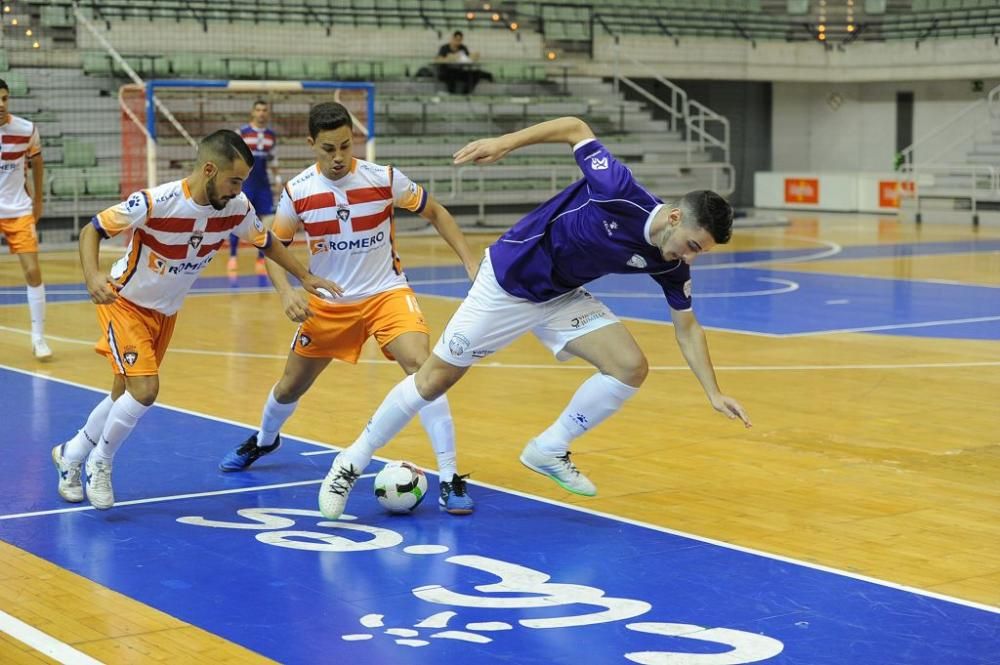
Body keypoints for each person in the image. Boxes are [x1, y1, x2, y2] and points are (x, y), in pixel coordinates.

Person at [315, 116, 753, 520]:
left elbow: (687, 326)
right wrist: (505, 143)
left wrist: (713, 392)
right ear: (675, 218)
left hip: (561, 296)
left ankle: (549, 448)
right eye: (693, 245)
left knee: (630, 367)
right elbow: (575, 127)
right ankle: (349, 463)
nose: (691, 257)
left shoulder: (670, 263)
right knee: (432, 381)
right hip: (508, 281)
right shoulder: (619, 190)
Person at [50, 129, 342, 511]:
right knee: (145, 392)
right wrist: (91, 276)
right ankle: (99, 463)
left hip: (165, 312)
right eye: (234, 180)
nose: (239, 190)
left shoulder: (235, 209)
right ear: (209, 169)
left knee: (124, 392)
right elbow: (94, 229)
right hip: (124, 302)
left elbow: (267, 241)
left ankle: (70, 455)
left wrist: (302, 277)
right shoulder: (157, 202)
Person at [217, 102, 481, 515]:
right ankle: (266, 439)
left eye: (345, 145)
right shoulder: (298, 191)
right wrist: (287, 292)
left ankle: (449, 478)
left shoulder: (383, 179)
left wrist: (468, 260)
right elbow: (273, 247)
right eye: (328, 149)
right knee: (290, 386)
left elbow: (435, 212)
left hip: (386, 294)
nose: (338, 157)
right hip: (329, 302)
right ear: (311, 145)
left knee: (424, 368)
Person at [0, 78, 51, 360]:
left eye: (5, 98)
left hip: (18, 209)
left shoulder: (26, 129)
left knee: (33, 272)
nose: (1, 104)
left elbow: (38, 164)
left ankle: (38, 339)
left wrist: (39, 200)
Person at [230, 99, 280, 276]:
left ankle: (260, 258)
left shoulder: (271, 136)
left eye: (264, 110)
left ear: (268, 113)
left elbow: (273, 159)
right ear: (252, 112)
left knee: (264, 221)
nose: (261, 113)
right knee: (237, 217)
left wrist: (278, 179)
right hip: (246, 183)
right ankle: (233, 256)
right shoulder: (242, 132)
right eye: (258, 109)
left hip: (263, 184)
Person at [435, 30, 492, 95]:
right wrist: (449, 58)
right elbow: (438, 59)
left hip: (458, 72)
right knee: (452, 74)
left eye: (460, 40)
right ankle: (452, 94)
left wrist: (474, 56)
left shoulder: (463, 48)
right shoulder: (444, 48)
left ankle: (465, 93)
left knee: (476, 74)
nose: (458, 42)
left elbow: (468, 58)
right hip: (446, 72)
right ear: (452, 38)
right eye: (457, 39)